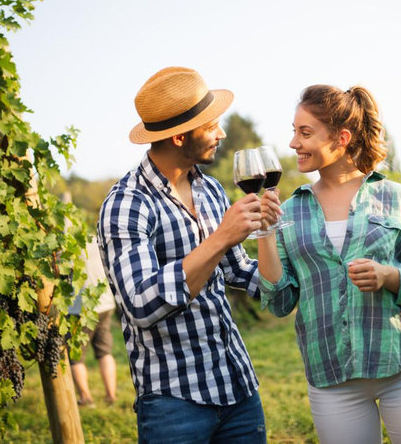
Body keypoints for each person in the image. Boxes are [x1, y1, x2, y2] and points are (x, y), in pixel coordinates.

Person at [256, 84, 401, 444]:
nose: (293, 143)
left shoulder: (399, 199)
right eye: (294, 131)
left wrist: (390, 276)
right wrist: (266, 233)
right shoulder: (291, 211)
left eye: (305, 132)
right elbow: (280, 301)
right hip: (332, 379)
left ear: (341, 138)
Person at [97, 67, 278, 443]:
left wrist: (293, 266)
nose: (222, 134)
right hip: (174, 401)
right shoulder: (127, 204)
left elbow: (239, 271)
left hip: (237, 385)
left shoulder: (210, 189)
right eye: (212, 126)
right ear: (180, 136)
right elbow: (142, 304)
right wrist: (220, 238)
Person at [69, 238, 118, 407]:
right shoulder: (95, 238)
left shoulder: (66, 245)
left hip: (80, 308)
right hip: (105, 302)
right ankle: (111, 396)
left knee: (76, 357)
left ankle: (86, 398)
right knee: (105, 351)